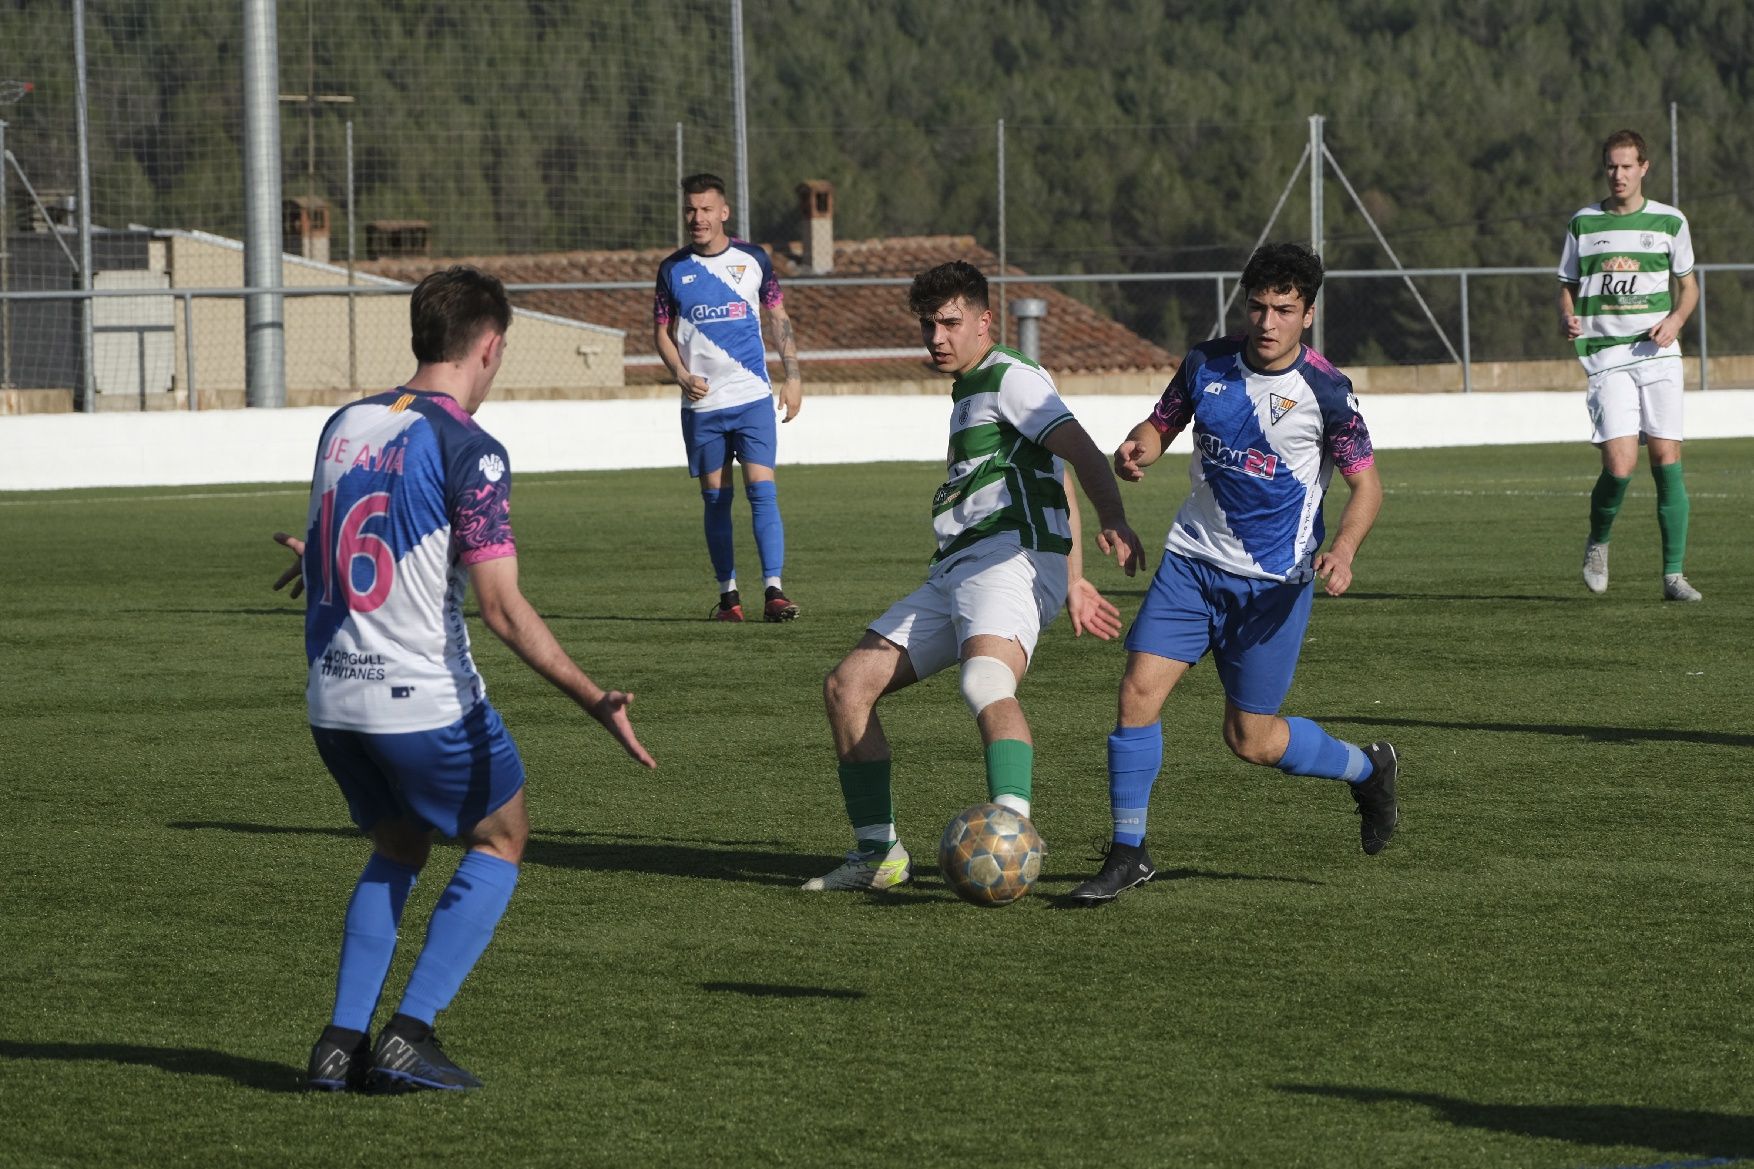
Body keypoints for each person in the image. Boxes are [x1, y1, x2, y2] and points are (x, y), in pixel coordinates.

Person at [274, 266, 656, 1092]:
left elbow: (347, 534)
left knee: (399, 843)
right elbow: (503, 610)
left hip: (331, 696)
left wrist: (321, 560)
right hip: (418, 699)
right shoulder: (469, 447)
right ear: (490, 346)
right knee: (502, 833)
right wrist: (595, 699)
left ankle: (339, 1045)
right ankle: (409, 1035)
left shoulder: (346, 422)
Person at [1069, 242, 1397, 906]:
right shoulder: (1206, 363)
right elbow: (1161, 424)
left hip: (1271, 586)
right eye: (1258, 306)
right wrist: (1139, 450)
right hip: (1192, 561)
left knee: (1250, 739)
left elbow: (1368, 487)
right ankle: (1130, 851)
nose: (1267, 322)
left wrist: (1344, 550)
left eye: (1284, 309)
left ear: (1307, 312)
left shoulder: (1327, 392)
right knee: (1136, 692)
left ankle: (1368, 768)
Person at [803, 259, 1145, 892]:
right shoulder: (970, 388)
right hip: (960, 567)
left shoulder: (1012, 377)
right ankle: (878, 854)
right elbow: (1053, 477)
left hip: (1008, 559)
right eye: (928, 324)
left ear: (985, 321)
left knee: (985, 678)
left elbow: (1080, 449)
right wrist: (1073, 579)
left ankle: (1012, 837)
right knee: (847, 687)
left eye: (950, 323)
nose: (936, 337)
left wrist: (1115, 518)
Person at [1557, 129, 1701, 602]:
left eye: (1627, 166)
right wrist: (1567, 314)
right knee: (1619, 465)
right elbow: (1567, 284)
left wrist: (1677, 321)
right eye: (1611, 167)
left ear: (1644, 167)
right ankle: (1598, 542)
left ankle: (1674, 576)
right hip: (1606, 356)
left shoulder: (1670, 222)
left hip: (1657, 354)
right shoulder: (1584, 223)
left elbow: (1689, 287)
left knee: (1666, 460)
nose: (1618, 175)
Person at [654, 172, 804, 622]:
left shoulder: (754, 259)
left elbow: (778, 317)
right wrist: (680, 373)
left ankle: (774, 592)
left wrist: (793, 376)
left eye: (705, 209)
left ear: (723, 212)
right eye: (690, 210)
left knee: (763, 492)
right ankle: (729, 598)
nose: (696, 218)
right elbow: (660, 332)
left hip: (752, 397)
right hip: (703, 406)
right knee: (716, 501)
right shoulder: (672, 269)